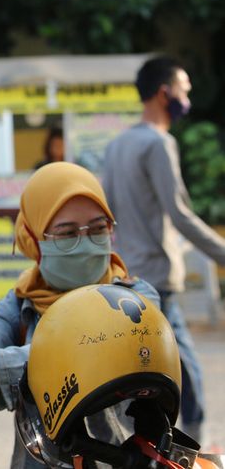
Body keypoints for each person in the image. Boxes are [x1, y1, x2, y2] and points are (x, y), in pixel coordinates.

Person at [0, 162, 162, 468]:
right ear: (33, 238)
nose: (85, 243)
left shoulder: (137, 299)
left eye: (99, 228)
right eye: (67, 232)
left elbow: (95, 353)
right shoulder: (16, 307)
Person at [102, 56, 225, 442]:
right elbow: (181, 214)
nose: (187, 97)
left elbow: (116, 216)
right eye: (185, 89)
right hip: (159, 279)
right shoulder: (159, 143)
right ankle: (195, 448)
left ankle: (150, 447)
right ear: (164, 92)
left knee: (138, 371)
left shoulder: (117, 145)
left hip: (128, 278)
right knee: (187, 370)